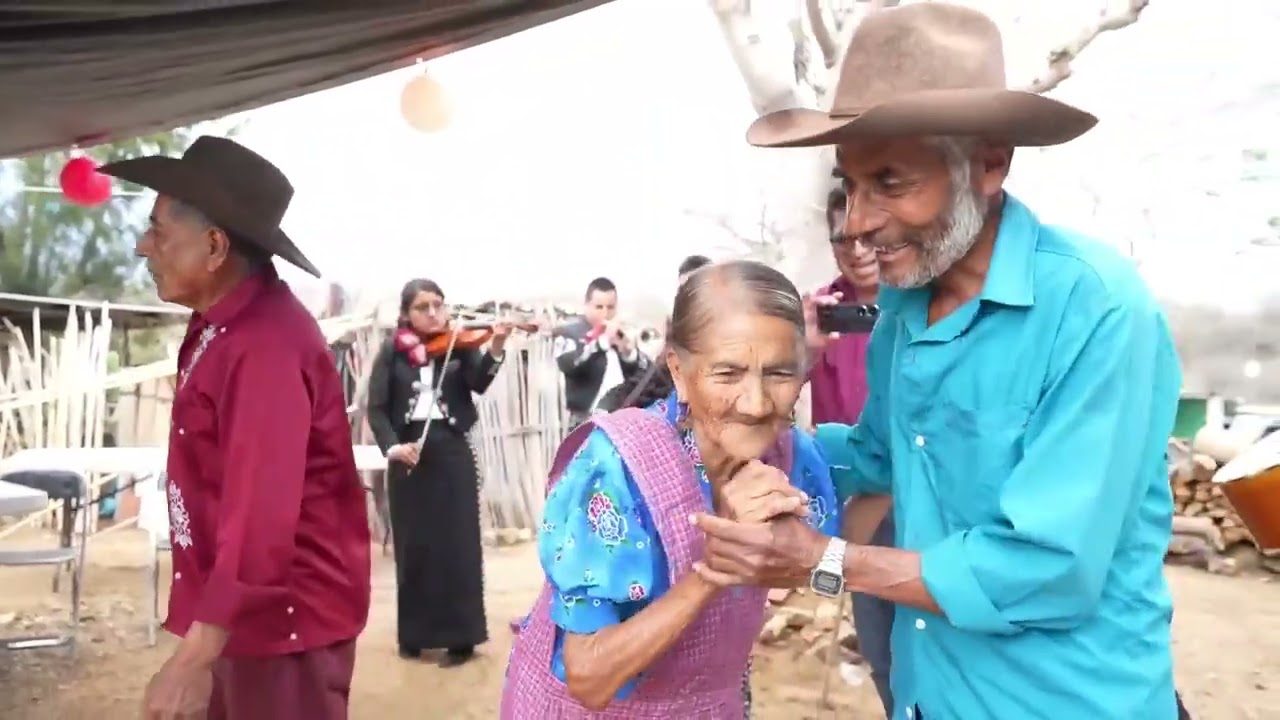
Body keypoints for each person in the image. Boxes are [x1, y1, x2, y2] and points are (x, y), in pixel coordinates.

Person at [690, 5, 1183, 719]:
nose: (857, 222)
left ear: (989, 162)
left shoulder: (1096, 311)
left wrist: (824, 563)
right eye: (850, 185)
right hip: (931, 696)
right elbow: (879, 458)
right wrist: (744, 431)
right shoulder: (906, 307)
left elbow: (1048, 570)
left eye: (889, 183)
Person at [100, 137, 371, 720]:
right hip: (245, 619)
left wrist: (193, 659)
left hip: (284, 621)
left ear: (216, 245)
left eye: (159, 231)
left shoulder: (265, 345)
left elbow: (260, 514)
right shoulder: (222, 327)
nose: (144, 246)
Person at [501, 261, 842, 718]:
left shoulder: (792, 459)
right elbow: (590, 677)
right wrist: (715, 568)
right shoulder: (618, 467)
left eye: (779, 374)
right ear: (679, 372)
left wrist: (808, 557)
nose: (757, 403)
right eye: (727, 374)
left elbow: (820, 572)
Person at [366, 278, 511, 667]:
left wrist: (495, 344)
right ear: (406, 314)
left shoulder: (459, 349)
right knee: (414, 547)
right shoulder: (391, 352)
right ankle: (415, 633)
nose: (433, 313)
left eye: (439, 305)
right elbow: (376, 408)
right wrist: (393, 446)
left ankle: (462, 638)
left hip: (452, 452)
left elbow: (480, 382)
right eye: (423, 307)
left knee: (457, 545)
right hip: (407, 454)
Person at [808, 188, 896, 714]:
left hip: (927, 495)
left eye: (870, 237)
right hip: (856, 496)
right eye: (844, 240)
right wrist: (803, 348)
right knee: (880, 644)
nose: (858, 251)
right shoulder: (823, 311)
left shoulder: (929, 301)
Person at [553, 277, 650, 427]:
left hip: (620, 421)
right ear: (586, 306)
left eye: (610, 307)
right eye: (599, 307)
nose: (605, 313)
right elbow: (568, 366)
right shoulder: (569, 334)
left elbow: (643, 374)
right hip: (584, 422)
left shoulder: (619, 334)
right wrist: (601, 343)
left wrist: (628, 353)